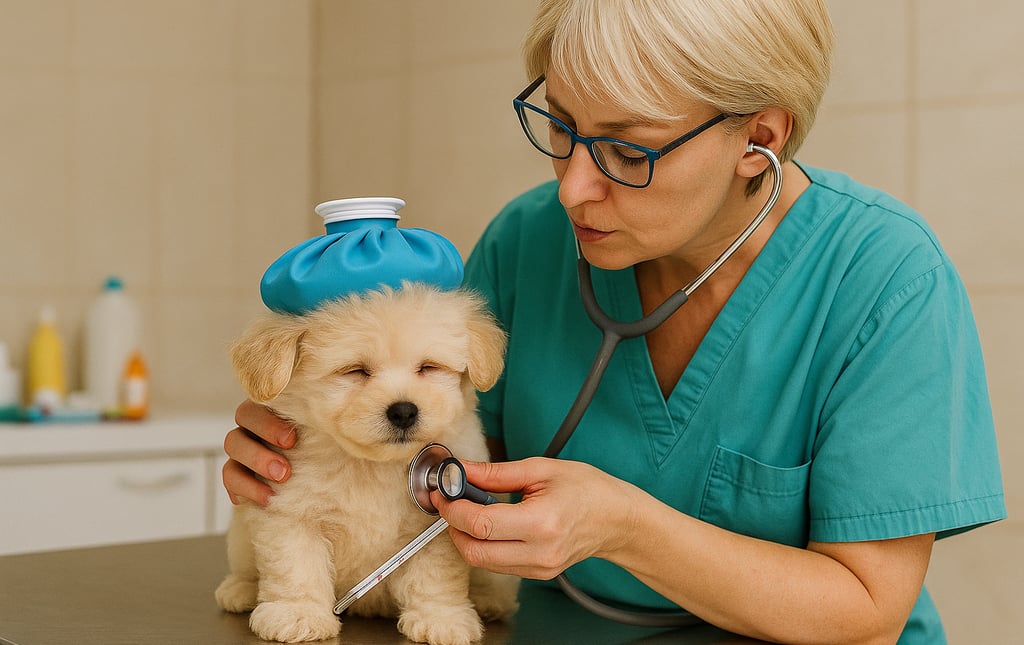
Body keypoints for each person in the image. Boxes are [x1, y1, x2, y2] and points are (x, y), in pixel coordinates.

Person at [222, 0, 1006, 642]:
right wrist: (301, 447)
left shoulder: (883, 278)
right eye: (561, 128)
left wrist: (626, 528)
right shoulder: (526, 242)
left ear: (759, 138)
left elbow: (868, 607)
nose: (572, 189)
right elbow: (432, 459)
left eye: (628, 150)